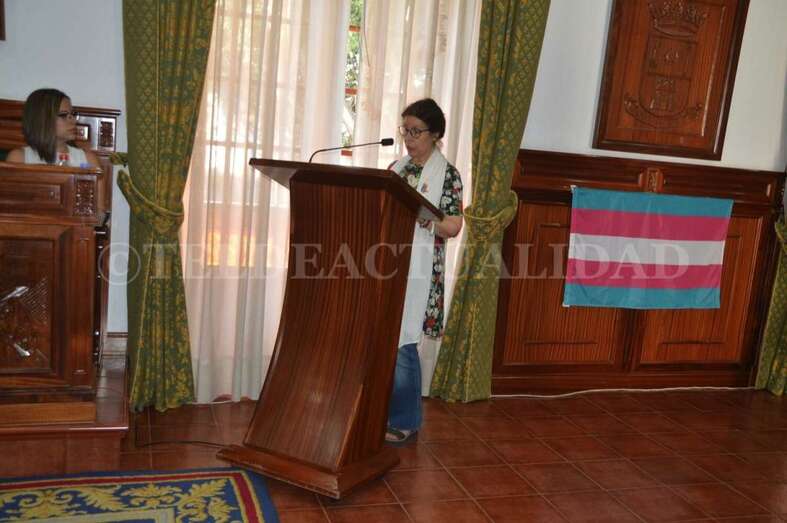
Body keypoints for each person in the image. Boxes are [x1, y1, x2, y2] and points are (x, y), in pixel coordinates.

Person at [386, 98, 463, 443]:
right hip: (386, 264)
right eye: (405, 130)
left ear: (435, 135)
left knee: (404, 342)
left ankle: (405, 421)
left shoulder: (448, 175)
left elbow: (453, 227)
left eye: (416, 131)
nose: (408, 138)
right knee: (384, 341)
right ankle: (379, 413)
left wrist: (425, 218)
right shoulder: (396, 168)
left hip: (421, 270)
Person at [6, 88, 100, 168]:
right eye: (63, 115)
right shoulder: (19, 158)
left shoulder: (88, 160)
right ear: (42, 119)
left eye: (73, 114)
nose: (73, 121)